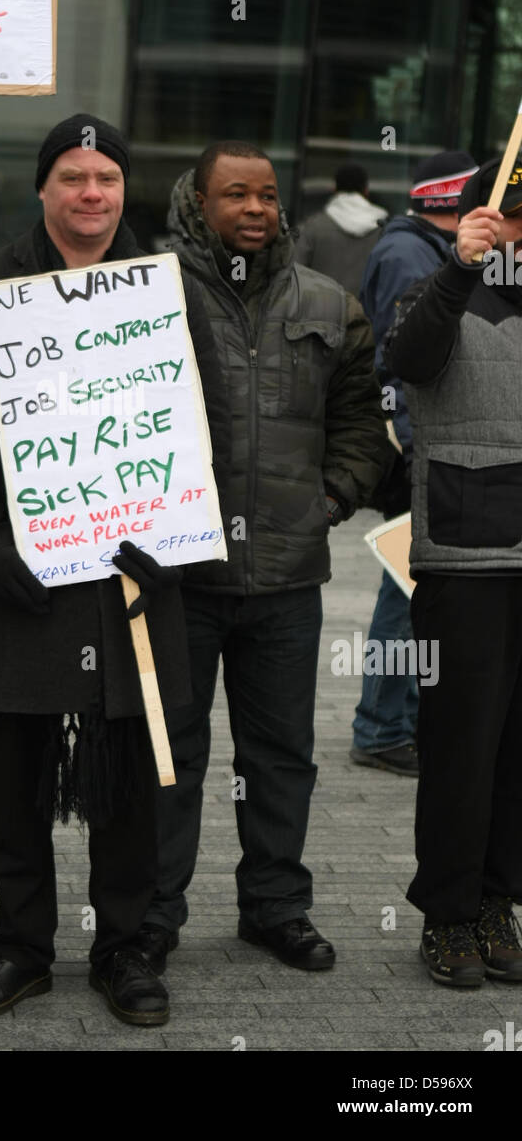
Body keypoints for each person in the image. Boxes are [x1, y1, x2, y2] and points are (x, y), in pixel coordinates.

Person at [0, 113, 228, 1027]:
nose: (93, 194)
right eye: (74, 177)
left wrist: (173, 534)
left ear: (125, 190)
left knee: (133, 776)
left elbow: (206, 425)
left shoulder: (170, 290)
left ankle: (125, 948)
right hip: (19, 575)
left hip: (134, 575)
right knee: (16, 778)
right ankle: (20, 948)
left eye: (108, 179)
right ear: (43, 188)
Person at [136, 140, 387, 977]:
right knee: (171, 752)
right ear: (196, 203)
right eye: (235, 194)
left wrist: (332, 497)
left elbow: (362, 416)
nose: (255, 209)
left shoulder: (327, 300)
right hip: (179, 577)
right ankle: (151, 916)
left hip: (287, 576)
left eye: (269, 196)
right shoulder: (147, 294)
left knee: (280, 755)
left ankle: (277, 909)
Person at [383, 156, 522, 987]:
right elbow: (409, 359)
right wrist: (461, 269)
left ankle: (499, 903)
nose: (516, 232)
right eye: (503, 214)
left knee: (516, 752)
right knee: (462, 749)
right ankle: (447, 913)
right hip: (468, 556)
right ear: (473, 220)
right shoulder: (437, 293)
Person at [351, 150, 477, 776]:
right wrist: (419, 450)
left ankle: (393, 722)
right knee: (404, 590)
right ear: (450, 205)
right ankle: (380, 728)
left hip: (426, 444)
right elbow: (401, 364)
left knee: (412, 589)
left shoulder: (420, 247)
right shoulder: (410, 255)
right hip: (419, 448)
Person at [295, 163, 387, 294]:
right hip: (365, 312)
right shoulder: (382, 230)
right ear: (366, 190)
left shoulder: (313, 227)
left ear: (334, 189)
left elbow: (295, 273)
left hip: (321, 310)